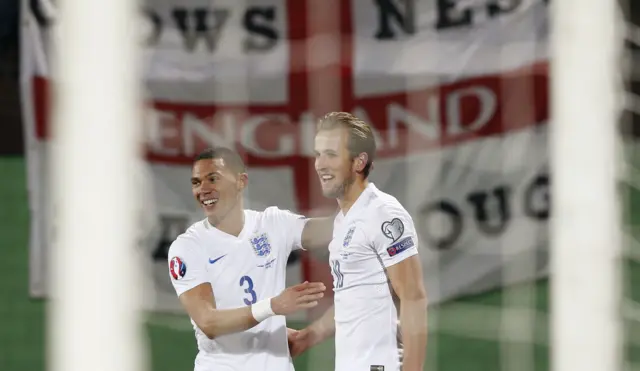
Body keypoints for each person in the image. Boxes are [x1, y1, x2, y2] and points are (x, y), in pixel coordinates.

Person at [167, 147, 333, 371]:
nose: (203, 189)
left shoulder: (271, 224)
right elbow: (208, 322)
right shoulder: (188, 246)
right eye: (196, 183)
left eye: (212, 179)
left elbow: (332, 229)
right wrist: (273, 306)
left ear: (241, 181)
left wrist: (363, 203)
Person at [287, 112, 428, 371]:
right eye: (318, 154)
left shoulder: (383, 213)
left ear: (358, 162)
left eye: (331, 154)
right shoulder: (344, 221)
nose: (320, 164)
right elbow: (353, 300)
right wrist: (306, 337)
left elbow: (413, 296)